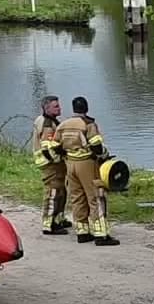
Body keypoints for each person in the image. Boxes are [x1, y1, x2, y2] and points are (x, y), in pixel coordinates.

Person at [57, 96, 118, 246]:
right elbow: (96, 145)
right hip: (87, 164)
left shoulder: (63, 124)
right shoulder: (88, 124)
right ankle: (101, 235)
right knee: (96, 197)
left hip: (70, 164)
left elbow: (55, 146)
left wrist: (68, 154)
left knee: (77, 198)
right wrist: (103, 155)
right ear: (87, 108)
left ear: (73, 109)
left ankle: (82, 232)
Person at [31, 95, 70, 235]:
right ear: (46, 108)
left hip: (51, 163)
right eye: (56, 106)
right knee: (53, 192)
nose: (59, 108)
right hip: (50, 164)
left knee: (61, 191)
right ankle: (49, 224)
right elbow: (47, 147)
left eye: (59, 105)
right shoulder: (48, 124)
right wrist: (56, 158)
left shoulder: (44, 119)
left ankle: (59, 219)